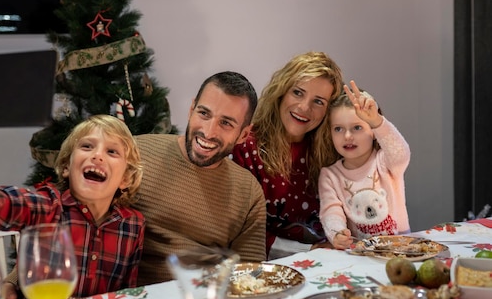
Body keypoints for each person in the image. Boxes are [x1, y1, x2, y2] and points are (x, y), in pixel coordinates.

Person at [0, 81, 145, 299]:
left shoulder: (133, 225)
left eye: (111, 151)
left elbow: (127, 296)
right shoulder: (46, 208)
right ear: (66, 167)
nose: (97, 156)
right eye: (87, 146)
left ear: (126, 179)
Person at [133, 71, 267, 285]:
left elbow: (248, 277)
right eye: (204, 113)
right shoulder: (134, 153)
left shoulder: (248, 192)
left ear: (243, 134)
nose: (208, 131)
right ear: (191, 109)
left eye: (226, 123)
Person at [232, 51, 344, 258]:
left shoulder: (334, 149)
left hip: (331, 260)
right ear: (281, 92)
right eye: (298, 92)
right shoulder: (245, 147)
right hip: (265, 267)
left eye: (318, 102)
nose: (304, 107)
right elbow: (240, 232)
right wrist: (309, 251)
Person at [318, 81, 411, 249]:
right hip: (362, 255)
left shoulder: (385, 161)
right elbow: (330, 211)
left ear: (374, 133)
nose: (347, 136)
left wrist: (378, 122)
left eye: (357, 128)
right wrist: (337, 233)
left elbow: (401, 153)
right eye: (338, 129)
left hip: (400, 249)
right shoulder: (330, 175)